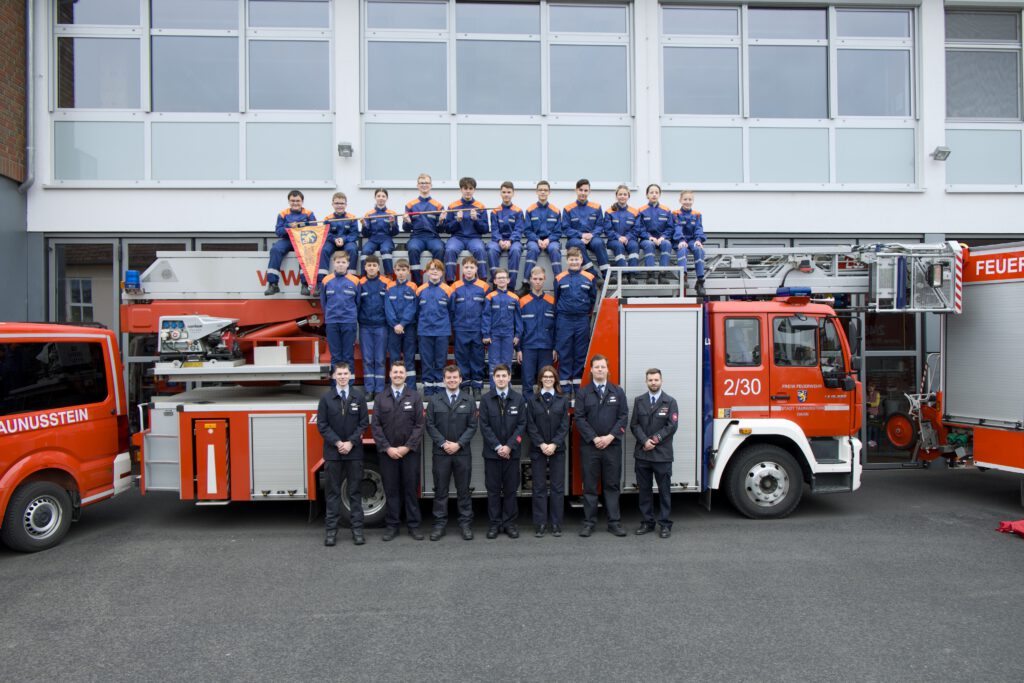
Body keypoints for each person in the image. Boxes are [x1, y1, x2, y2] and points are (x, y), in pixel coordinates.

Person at [371, 361, 426, 541]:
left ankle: (414, 526)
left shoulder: (415, 396)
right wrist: (387, 448)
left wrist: (406, 447)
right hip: (388, 454)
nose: (398, 375)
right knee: (391, 490)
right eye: (395, 372)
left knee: (410, 490)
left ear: (406, 375)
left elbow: (419, 425)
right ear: (390, 374)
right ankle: (392, 526)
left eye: (401, 372)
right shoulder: (380, 397)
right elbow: (376, 426)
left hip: (409, 453)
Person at [575, 355, 628, 537]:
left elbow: (623, 417)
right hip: (590, 447)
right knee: (589, 486)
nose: (599, 369)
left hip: (612, 447)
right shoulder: (583, 393)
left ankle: (614, 522)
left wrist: (610, 437)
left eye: (602, 367)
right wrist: (594, 438)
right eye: (596, 367)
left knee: (611, 485)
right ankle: (589, 523)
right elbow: (579, 418)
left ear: (607, 369)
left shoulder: (618, 392)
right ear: (590, 370)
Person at [317, 363, 370, 547]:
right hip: (333, 453)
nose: (342, 377)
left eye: (345, 373)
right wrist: (339, 443)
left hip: (354, 453)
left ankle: (357, 531)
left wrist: (350, 442)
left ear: (351, 375)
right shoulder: (326, 399)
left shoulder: (359, 397)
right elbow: (322, 425)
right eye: (339, 374)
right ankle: (331, 532)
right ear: (333, 376)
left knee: (355, 492)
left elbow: (364, 423)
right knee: (332, 493)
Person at [426, 364, 479, 541]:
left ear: (460, 379)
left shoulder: (468, 400)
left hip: (462, 453)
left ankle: (465, 525)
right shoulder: (435, 400)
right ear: (443, 380)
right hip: (441, 453)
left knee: (463, 491)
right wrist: (443, 443)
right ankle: (439, 525)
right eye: (448, 378)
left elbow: (472, 426)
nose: (452, 380)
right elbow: (430, 425)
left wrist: (459, 444)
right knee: (440, 491)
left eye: (455, 377)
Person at [478, 364, 527, 539]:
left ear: (509, 377)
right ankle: (494, 524)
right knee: (492, 490)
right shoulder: (486, 399)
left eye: (503, 376)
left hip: (512, 454)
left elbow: (522, 425)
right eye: (497, 376)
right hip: (492, 454)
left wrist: (509, 446)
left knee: (510, 490)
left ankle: (509, 524)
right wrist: (498, 447)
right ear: (493, 378)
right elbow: (484, 426)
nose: (500, 379)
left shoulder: (518, 399)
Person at [630, 368, 679, 539]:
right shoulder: (639, 401)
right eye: (650, 380)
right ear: (646, 382)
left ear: (661, 381)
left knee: (664, 491)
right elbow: (634, 425)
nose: (653, 383)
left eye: (656, 380)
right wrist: (645, 441)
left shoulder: (670, 402)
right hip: (643, 455)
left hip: (662, 456)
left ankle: (665, 524)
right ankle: (647, 522)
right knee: (644, 491)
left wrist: (655, 440)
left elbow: (671, 427)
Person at [526, 365, 569, 538]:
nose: (548, 379)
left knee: (558, 488)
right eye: (545, 377)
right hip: (538, 450)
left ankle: (556, 523)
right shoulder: (532, 400)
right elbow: (530, 425)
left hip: (557, 450)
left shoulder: (562, 399)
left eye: (551, 377)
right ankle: (540, 523)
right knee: (539, 488)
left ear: (555, 380)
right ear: (541, 380)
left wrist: (554, 444)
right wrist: (542, 444)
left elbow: (565, 425)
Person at [553, 247, 597, 397]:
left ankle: (577, 386)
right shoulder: (559, 278)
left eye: (576, 259)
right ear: (567, 260)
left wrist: (585, 313)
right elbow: (556, 300)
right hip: (564, 319)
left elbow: (592, 299)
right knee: (564, 352)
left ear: (581, 260)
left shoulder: (589, 277)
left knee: (580, 353)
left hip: (582, 319)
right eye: (571, 259)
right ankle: (565, 387)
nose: (574, 262)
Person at [266, 189, 316, 296]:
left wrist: (302, 227)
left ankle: (305, 285)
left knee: (306, 254)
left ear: (302, 201)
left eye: (297, 200)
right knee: (275, 250)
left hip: (303, 241)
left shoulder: (309, 213)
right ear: (289, 201)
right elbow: (278, 232)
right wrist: (289, 227)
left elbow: (314, 230)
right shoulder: (283, 214)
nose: (295, 203)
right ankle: (273, 284)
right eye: (292, 201)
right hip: (288, 240)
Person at [450, 256, 488, 398]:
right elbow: (452, 309)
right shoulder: (455, 286)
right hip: (461, 329)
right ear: (462, 269)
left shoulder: (484, 287)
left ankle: (477, 387)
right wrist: (455, 326)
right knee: (462, 358)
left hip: (477, 329)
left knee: (478, 358)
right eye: (466, 267)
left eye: (472, 267)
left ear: (476, 269)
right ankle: (465, 386)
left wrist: (485, 330)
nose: (469, 270)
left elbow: (487, 311)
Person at [517, 267, 557, 400]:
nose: (538, 282)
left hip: (547, 348)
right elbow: (518, 327)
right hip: (528, 348)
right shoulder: (522, 301)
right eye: (535, 279)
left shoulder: (551, 301)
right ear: (530, 280)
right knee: (527, 382)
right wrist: (518, 349)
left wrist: (555, 348)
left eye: (540, 279)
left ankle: (545, 409)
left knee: (546, 381)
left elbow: (556, 328)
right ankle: (528, 409)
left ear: (545, 279)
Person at [416, 259, 453, 397]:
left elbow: (452, 311)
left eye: (437, 269)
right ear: (427, 272)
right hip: (424, 331)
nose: (434, 271)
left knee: (440, 360)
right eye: (431, 269)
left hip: (442, 331)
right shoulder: (420, 290)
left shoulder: (448, 290)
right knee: (426, 360)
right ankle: (428, 388)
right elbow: (416, 312)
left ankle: (439, 387)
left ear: (442, 272)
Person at [562, 178, 610, 283]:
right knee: (577, 244)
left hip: (593, 238)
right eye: (581, 190)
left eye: (585, 190)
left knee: (599, 243)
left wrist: (592, 235)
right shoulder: (568, 208)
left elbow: (600, 225)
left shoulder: (596, 207)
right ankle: (593, 275)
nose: (583, 193)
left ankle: (607, 275)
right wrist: (581, 235)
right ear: (576, 190)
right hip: (575, 239)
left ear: (589, 191)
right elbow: (566, 228)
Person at [443, 177, 489, 283]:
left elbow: (485, 229)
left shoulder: (480, 206)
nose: (468, 191)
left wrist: (476, 220)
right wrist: (457, 221)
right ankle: (450, 281)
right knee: (450, 249)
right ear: (461, 189)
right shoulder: (453, 206)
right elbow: (447, 229)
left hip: (474, 238)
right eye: (465, 188)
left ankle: (482, 281)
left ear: (474, 190)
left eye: (470, 188)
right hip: (457, 238)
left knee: (480, 250)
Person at [358, 255, 391, 401]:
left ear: (378, 267)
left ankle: (379, 390)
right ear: (365, 267)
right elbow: (356, 304)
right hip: (365, 326)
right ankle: (368, 389)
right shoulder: (360, 283)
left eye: (374, 265)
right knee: (367, 359)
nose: (371, 268)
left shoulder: (386, 283)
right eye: (368, 265)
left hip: (381, 326)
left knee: (380, 359)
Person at [404, 173, 447, 285]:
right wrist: (407, 222)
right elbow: (406, 229)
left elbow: (441, 230)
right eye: (422, 183)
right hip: (416, 237)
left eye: (427, 183)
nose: (424, 185)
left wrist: (442, 221)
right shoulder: (410, 205)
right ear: (417, 185)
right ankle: (417, 283)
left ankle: (436, 281)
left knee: (439, 249)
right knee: (413, 249)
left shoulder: (438, 205)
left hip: (433, 237)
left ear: (431, 185)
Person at [320, 251, 360, 371]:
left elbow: (358, 303)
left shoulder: (355, 281)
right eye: (338, 262)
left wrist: (350, 315)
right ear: (333, 263)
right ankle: (335, 386)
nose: (341, 265)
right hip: (332, 322)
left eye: (343, 262)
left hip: (349, 322)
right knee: (335, 356)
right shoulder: (326, 280)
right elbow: (323, 302)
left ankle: (349, 386)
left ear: (348, 264)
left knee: (348, 356)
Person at [482, 268, 521, 390]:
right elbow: (486, 316)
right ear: (494, 281)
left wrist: (517, 335)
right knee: (493, 364)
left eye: (504, 277)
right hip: (494, 335)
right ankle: (494, 391)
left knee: (506, 363)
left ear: (508, 280)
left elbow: (518, 319)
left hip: (508, 335)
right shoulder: (490, 297)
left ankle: (506, 391)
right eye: (499, 278)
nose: (502, 280)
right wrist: (486, 334)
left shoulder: (514, 298)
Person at [385, 259, 418, 389]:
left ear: (408, 271)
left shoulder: (413, 287)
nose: (401, 273)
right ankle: (395, 386)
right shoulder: (389, 287)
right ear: (394, 271)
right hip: (393, 328)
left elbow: (412, 308)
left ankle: (410, 388)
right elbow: (388, 308)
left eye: (404, 270)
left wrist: (402, 324)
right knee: (394, 358)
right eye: (398, 270)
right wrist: (395, 325)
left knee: (409, 358)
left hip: (408, 328)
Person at [523, 180, 563, 288]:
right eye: (540, 190)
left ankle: (559, 282)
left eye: (545, 190)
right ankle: (526, 283)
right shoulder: (530, 210)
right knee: (533, 249)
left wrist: (548, 240)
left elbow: (558, 231)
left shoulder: (556, 210)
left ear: (549, 192)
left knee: (555, 250)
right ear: (536, 192)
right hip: (534, 240)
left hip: (552, 240)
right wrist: (537, 240)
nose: (543, 192)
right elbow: (527, 230)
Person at [487, 181, 525, 290]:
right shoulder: (495, 211)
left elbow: (518, 229)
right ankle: (496, 285)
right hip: (497, 241)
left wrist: (511, 241)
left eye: (509, 192)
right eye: (504, 192)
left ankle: (511, 286)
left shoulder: (518, 211)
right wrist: (499, 241)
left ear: (513, 193)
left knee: (516, 250)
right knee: (491, 249)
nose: (506, 194)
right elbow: (494, 229)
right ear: (500, 194)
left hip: (514, 241)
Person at [604, 184, 645, 283]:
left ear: (628, 196)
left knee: (635, 246)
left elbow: (636, 229)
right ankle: (624, 274)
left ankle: (632, 275)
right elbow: (607, 230)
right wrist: (618, 237)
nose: (622, 196)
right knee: (619, 246)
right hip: (614, 241)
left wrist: (627, 237)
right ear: (616, 196)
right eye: (620, 194)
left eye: (625, 194)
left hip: (630, 240)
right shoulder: (609, 212)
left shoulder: (635, 212)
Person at [318, 191, 360, 289]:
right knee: (323, 250)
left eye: (342, 203)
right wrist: (334, 239)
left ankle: (351, 279)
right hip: (332, 241)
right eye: (337, 203)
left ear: (346, 204)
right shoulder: (327, 218)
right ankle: (321, 282)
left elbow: (354, 234)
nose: (339, 205)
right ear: (332, 204)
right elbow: (325, 234)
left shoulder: (352, 217)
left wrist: (343, 239)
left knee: (353, 250)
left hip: (347, 241)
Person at [638, 184, 676, 284]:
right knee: (649, 245)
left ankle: (662, 275)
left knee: (667, 244)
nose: (654, 195)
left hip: (662, 239)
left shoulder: (666, 210)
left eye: (656, 192)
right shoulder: (641, 210)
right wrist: (649, 237)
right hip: (646, 240)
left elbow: (670, 227)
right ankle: (650, 275)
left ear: (659, 194)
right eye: (651, 192)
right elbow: (639, 228)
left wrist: (663, 237)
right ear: (647, 195)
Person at [673, 190, 707, 296]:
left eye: (690, 199)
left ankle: (700, 281)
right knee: (682, 250)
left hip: (692, 240)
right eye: (685, 199)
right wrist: (681, 240)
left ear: (693, 201)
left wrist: (698, 240)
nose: (687, 202)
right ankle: (684, 277)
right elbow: (677, 228)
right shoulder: (675, 214)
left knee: (699, 250)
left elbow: (698, 228)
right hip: (679, 240)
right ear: (680, 200)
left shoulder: (697, 214)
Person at [361, 188, 399, 277]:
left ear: (387, 198)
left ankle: (389, 276)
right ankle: (364, 276)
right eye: (378, 196)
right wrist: (363, 225)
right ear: (375, 197)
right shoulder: (369, 214)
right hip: (373, 239)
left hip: (386, 239)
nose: (381, 198)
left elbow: (395, 233)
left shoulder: (392, 213)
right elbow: (366, 234)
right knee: (365, 251)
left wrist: (392, 224)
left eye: (383, 196)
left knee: (385, 250)